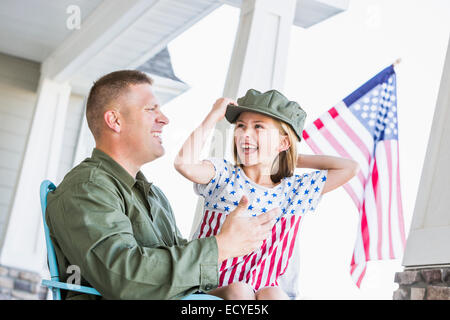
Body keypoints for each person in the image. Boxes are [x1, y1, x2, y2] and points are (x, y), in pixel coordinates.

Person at [45, 70, 279, 300]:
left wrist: (230, 286)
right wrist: (221, 246)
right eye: (150, 109)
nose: (164, 119)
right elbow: (124, 279)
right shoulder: (87, 189)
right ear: (115, 121)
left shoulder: (153, 195)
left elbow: (177, 281)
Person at [174, 89, 360, 300]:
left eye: (258, 127)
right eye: (241, 126)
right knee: (239, 290)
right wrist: (213, 116)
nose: (245, 134)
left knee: (274, 294)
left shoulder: (294, 192)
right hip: (209, 288)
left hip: (262, 292)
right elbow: (184, 164)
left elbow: (349, 168)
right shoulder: (224, 176)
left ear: (283, 143)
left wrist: (289, 157)